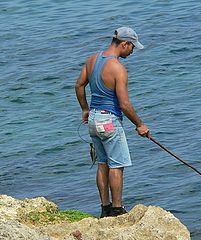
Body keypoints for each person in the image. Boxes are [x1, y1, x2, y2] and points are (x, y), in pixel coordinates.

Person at [75, 26, 149, 217]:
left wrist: (85, 109)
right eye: (132, 47)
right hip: (109, 121)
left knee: (102, 163)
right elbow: (124, 104)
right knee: (116, 165)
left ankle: (105, 208)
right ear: (124, 44)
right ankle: (117, 209)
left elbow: (79, 85)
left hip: (93, 119)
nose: (132, 51)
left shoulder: (92, 59)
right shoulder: (118, 69)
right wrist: (140, 125)